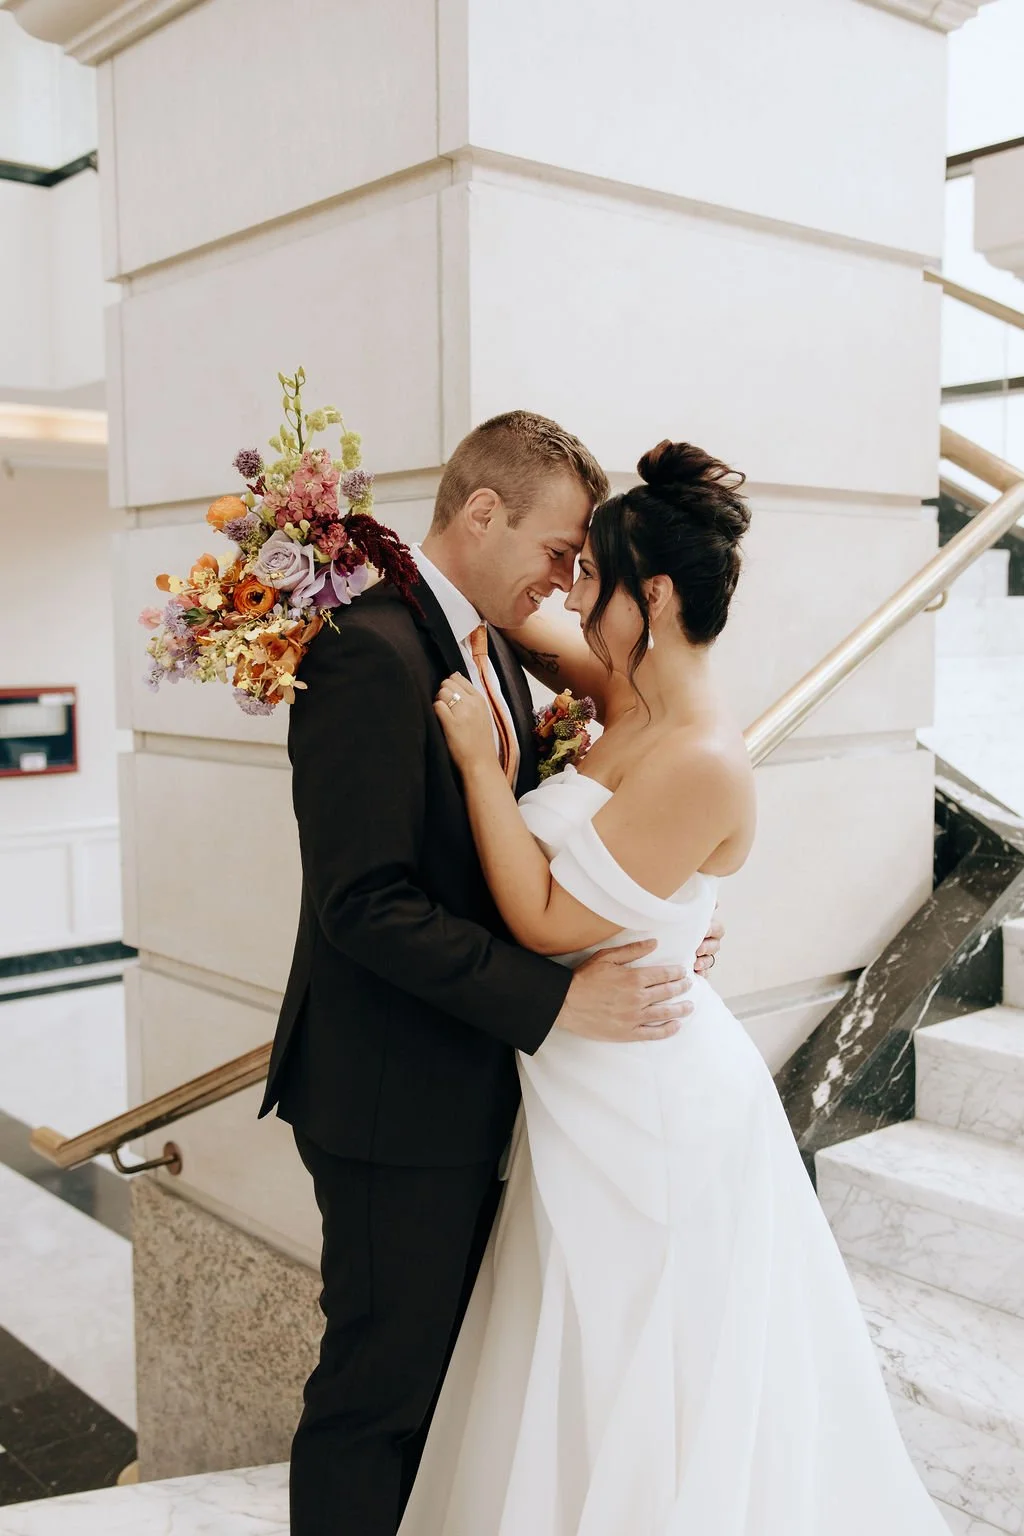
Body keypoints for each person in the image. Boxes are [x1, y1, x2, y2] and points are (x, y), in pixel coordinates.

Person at [401, 440, 947, 1535]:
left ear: (649, 595)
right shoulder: (625, 691)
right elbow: (511, 614)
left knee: (646, 1371)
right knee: (576, 1354)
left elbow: (544, 918)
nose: (570, 594)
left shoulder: (700, 754)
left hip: (649, 1104)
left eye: (590, 579)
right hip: (583, 1079)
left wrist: (474, 766)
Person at [258, 412, 724, 1536]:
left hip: (480, 1084)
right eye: (560, 551)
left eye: (583, 565)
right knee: (379, 1399)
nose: (567, 582)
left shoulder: (493, 649)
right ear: (479, 514)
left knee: (448, 1398)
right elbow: (364, 904)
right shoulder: (368, 652)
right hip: (391, 1097)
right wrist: (561, 997)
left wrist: (645, 926)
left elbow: (530, 854)